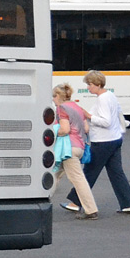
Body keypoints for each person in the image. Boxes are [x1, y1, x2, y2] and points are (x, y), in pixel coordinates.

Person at [64, 70, 130, 215]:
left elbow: (106, 122)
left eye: (90, 84)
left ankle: (75, 202)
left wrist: (88, 116)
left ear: (98, 84)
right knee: (116, 173)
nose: (88, 87)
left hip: (103, 141)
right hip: (115, 139)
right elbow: (117, 116)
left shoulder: (102, 99)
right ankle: (128, 204)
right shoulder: (110, 96)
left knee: (89, 172)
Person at [51, 84, 98, 220]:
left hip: (68, 149)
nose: (53, 100)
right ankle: (40, 201)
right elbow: (86, 128)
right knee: (54, 174)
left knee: (77, 179)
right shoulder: (77, 107)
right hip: (79, 147)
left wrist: (51, 132)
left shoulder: (62, 109)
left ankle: (91, 210)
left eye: (54, 97)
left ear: (58, 96)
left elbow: (64, 130)